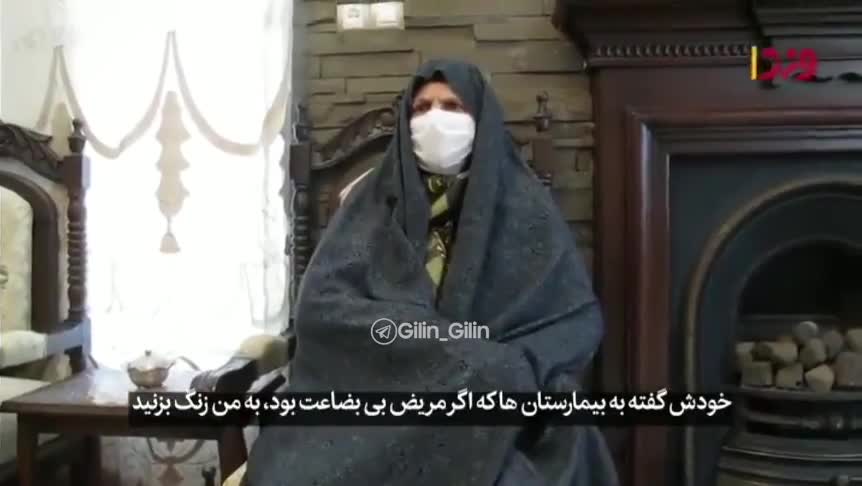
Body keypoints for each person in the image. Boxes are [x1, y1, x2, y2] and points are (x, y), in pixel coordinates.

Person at [244, 59, 619, 486]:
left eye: (452, 107)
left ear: (481, 120)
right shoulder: (370, 203)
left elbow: (574, 317)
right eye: (422, 109)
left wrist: (507, 366)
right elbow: (321, 308)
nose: (435, 120)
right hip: (379, 394)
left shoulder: (526, 208)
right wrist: (441, 349)